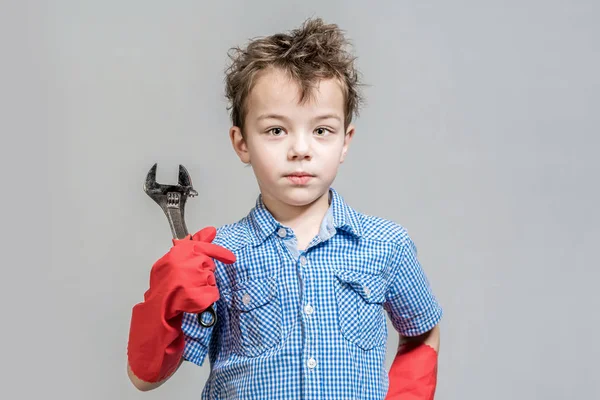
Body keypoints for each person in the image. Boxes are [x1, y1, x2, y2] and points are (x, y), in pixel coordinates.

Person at [126, 17, 443, 399]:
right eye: (276, 130)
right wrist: (166, 300)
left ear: (345, 140)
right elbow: (145, 377)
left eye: (322, 130)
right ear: (241, 143)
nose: (300, 149)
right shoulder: (215, 258)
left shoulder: (387, 245)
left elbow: (422, 329)